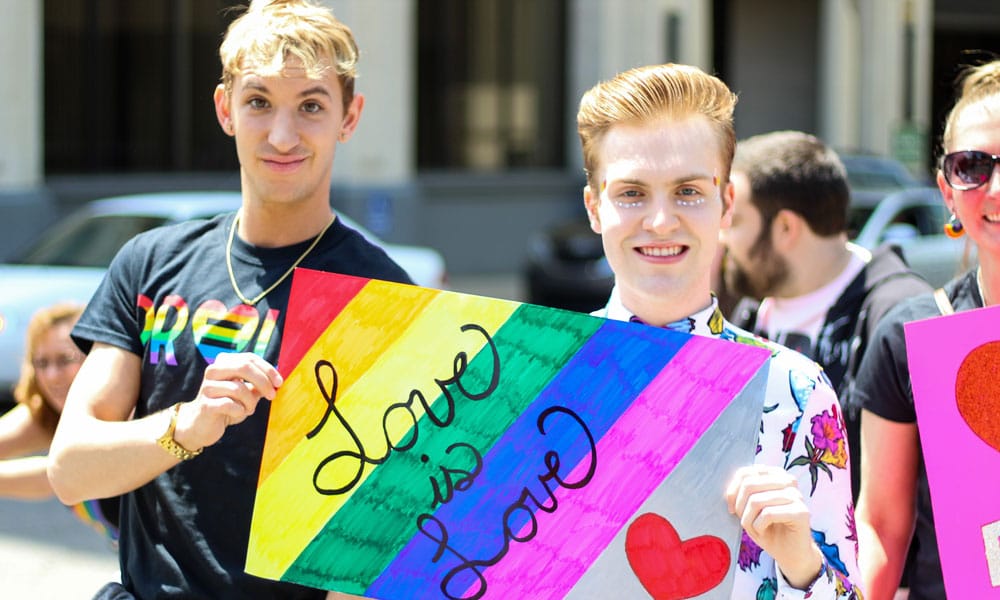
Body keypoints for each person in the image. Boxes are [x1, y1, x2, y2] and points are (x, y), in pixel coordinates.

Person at [47, 1, 412, 598]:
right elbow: (70, 470)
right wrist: (186, 425)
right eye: (259, 102)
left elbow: (384, 533)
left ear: (350, 117)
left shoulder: (386, 297)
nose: (282, 135)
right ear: (226, 109)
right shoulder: (150, 262)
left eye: (312, 106)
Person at [578, 64, 862, 598]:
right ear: (595, 208)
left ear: (726, 204)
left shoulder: (796, 391)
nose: (661, 221)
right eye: (632, 193)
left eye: (687, 191)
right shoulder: (536, 379)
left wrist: (801, 562)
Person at [854, 59, 1000, 600]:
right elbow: (882, 529)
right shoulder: (910, 337)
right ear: (946, 190)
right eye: (973, 166)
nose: (996, 187)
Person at [724, 130, 932, 500]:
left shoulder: (898, 318)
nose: (723, 237)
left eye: (736, 220)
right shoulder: (754, 310)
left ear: (786, 227)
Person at [0, 302, 118, 541]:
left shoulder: (124, 414)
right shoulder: (50, 412)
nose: (52, 376)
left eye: (65, 360)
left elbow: (58, 472)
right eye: (42, 363)